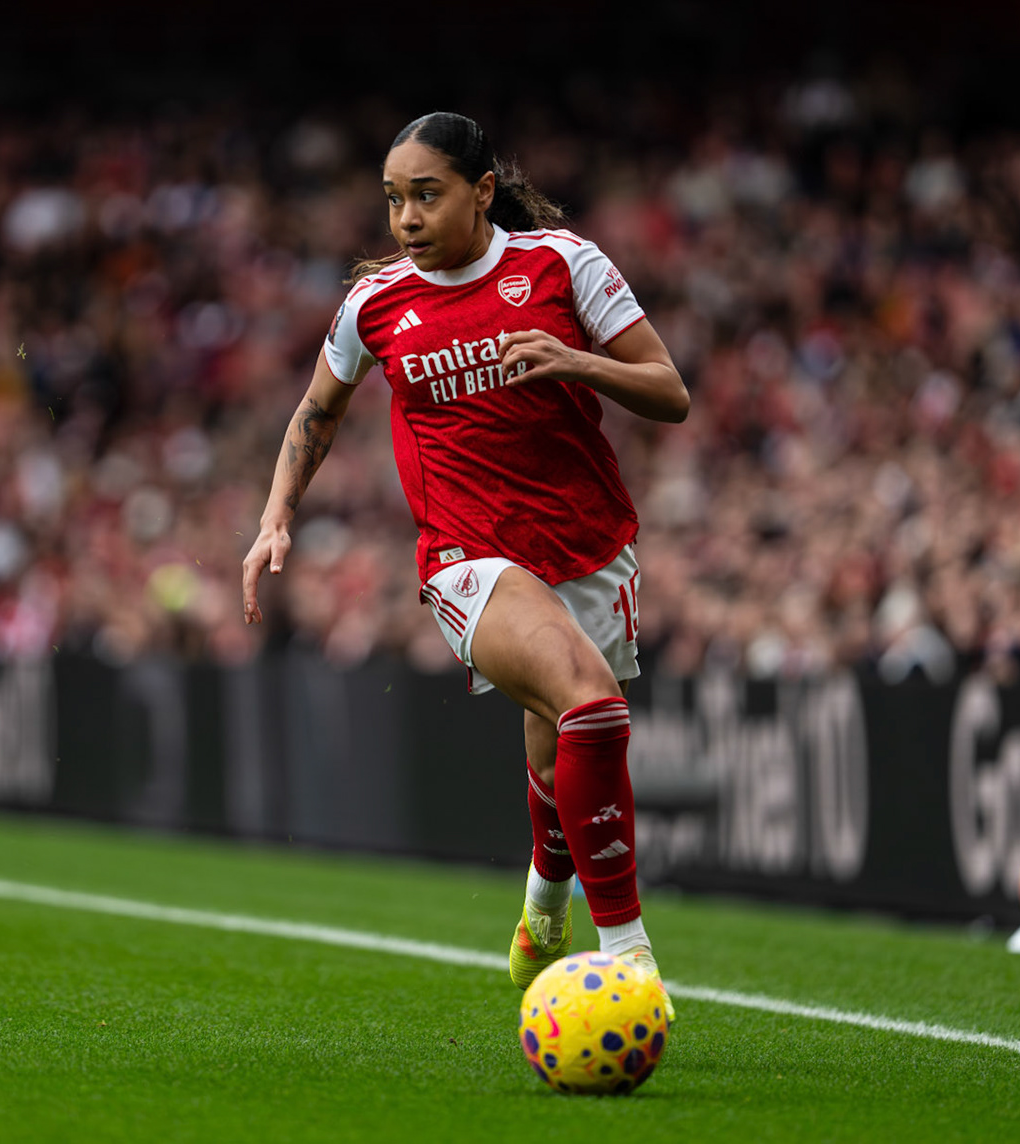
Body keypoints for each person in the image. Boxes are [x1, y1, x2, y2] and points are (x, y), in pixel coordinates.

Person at [241, 112, 690, 999]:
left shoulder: (563, 265)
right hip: (466, 556)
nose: (405, 218)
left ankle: (544, 903)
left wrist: (576, 362)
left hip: (587, 543)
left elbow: (669, 393)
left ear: (483, 192)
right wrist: (274, 519)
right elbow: (316, 414)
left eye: (426, 194)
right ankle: (630, 957)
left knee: (560, 746)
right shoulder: (375, 304)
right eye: (393, 199)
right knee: (590, 703)